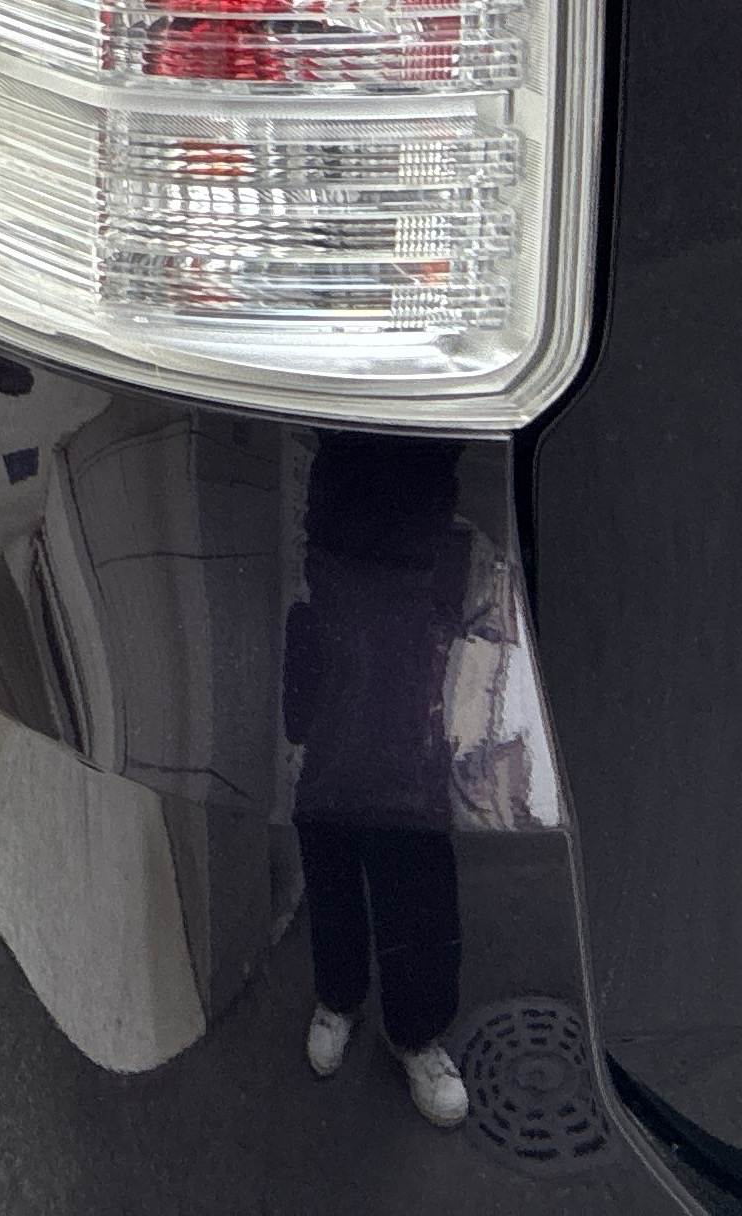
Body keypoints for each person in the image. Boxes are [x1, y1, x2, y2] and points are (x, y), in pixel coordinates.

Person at [280, 435, 475, 1130]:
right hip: (338, 514)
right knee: (328, 779)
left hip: (417, 514)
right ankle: (338, 991)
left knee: (411, 793)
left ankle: (417, 1030)